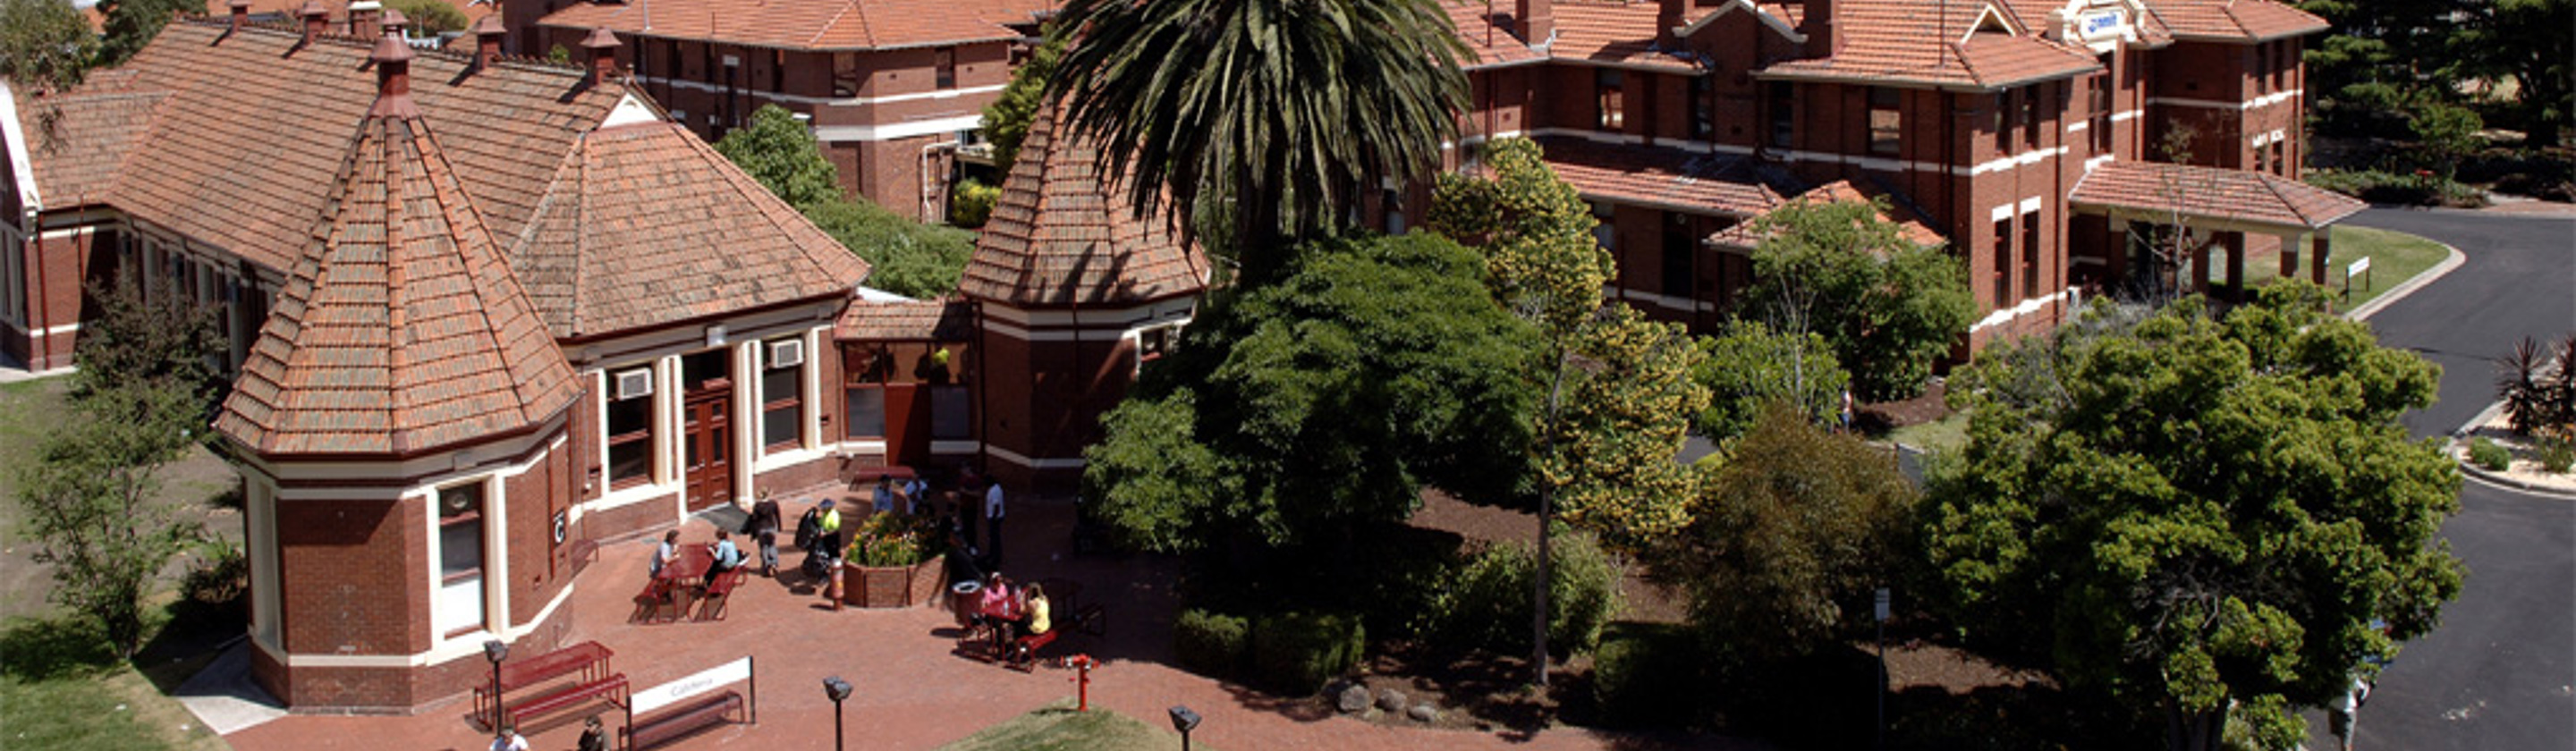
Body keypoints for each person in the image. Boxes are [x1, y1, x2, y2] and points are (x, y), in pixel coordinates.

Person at [749, 492, 783, 577]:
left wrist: (753, 533)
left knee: (764, 548)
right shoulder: (773, 504)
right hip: (771, 527)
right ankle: (774, 563)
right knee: (772, 545)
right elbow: (778, 516)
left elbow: (754, 520)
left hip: (761, 528)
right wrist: (779, 527)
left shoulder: (757, 506)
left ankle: (767, 566)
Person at [982, 479, 1006, 567]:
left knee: (994, 538)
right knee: (993, 537)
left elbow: (996, 505)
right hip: (995, 517)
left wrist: (993, 518)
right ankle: (992, 554)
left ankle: (995, 557)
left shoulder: (994, 491)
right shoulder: (996, 488)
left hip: (995, 518)